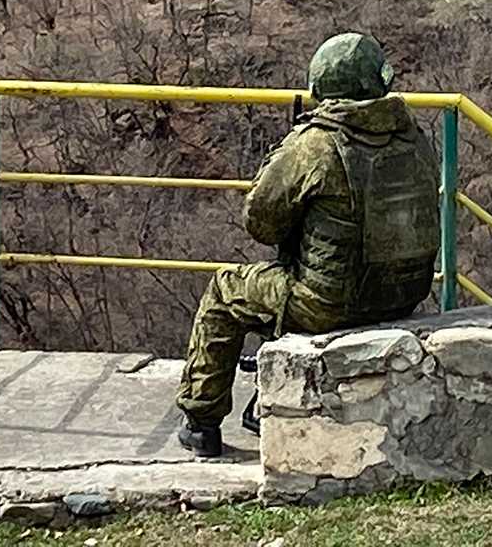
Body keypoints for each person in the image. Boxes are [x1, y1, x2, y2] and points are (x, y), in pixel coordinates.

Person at [175, 32, 441, 457]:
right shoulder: (415, 136)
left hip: (330, 304)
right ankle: (264, 403)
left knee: (226, 292)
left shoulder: (314, 145)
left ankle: (201, 421)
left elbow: (260, 223)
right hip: (403, 292)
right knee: (290, 281)